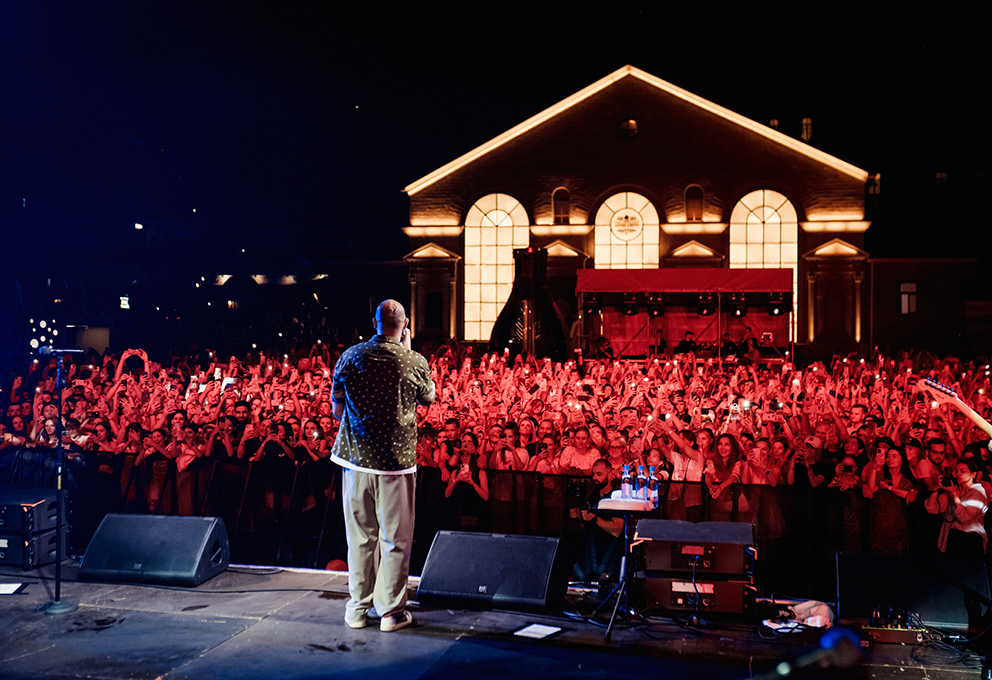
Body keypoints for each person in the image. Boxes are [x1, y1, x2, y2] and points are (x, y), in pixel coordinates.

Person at [331, 300, 435, 632]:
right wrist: (408, 349)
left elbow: (336, 411)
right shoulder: (413, 360)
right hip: (395, 464)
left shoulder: (350, 356)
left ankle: (357, 610)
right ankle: (390, 612)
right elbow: (429, 397)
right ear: (405, 325)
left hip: (355, 459)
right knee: (395, 539)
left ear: (374, 321)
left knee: (360, 537)